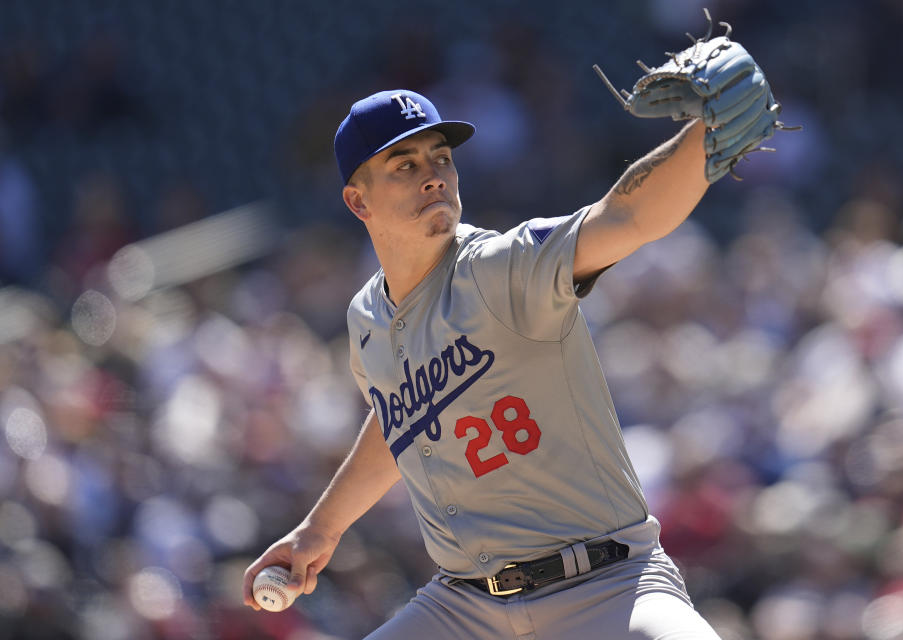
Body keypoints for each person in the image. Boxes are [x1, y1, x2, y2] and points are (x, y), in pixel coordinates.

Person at [243, 87, 724, 638]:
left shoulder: (500, 267)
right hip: (465, 608)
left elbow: (626, 216)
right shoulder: (367, 320)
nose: (433, 175)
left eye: (441, 158)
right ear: (358, 202)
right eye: (405, 164)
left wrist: (703, 137)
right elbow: (404, 417)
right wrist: (320, 531)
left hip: (608, 585)